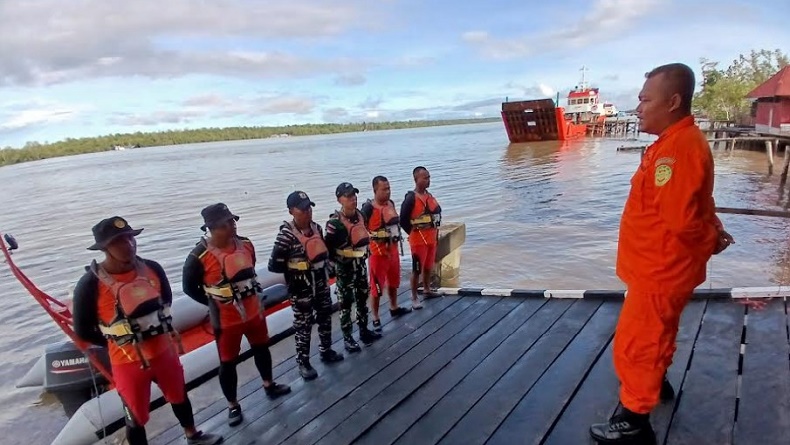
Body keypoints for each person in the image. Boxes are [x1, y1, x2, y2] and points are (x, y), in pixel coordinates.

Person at [589, 63, 735, 444]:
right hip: (659, 267)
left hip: (660, 269)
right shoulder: (676, 144)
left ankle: (634, 420)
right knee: (658, 333)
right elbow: (696, 201)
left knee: (638, 343)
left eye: (644, 100)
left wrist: (709, 239)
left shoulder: (677, 150)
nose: (637, 108)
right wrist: (714, 230)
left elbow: (682, 219)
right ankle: (656, 383)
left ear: (673, 101)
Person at [72, 217, 222, 445]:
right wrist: (119, 341)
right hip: (128, 363)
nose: (129, 245)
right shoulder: (89, 284)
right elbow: (83, 331)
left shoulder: (152, 269)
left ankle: (193, 435)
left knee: (179, 396)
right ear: (104, 248)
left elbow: (166, 301)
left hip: (164, 353)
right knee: (135, 416)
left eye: (130, 238)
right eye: (119, 241)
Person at [182, 203, 291, 428]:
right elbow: (189, 287)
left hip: (253, 312)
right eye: (226, 223)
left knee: (262, 348)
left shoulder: (246, 244)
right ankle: (233, 405)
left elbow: (249, 270)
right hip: (226, 319)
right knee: (228, 362)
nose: (232, 226)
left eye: (233, 221)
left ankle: (269, 384)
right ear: (211, 228)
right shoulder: (199, 256)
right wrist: (213, 302)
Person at [268, 191, 344, 380]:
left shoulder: (317, 229)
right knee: (303, 325)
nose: (307, 212)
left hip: (320, 282)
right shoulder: (285, 236)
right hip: (300, 288)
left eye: (309, 207)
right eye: (303, 209)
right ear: (291, 211)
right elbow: (274, 265)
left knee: (325, 316)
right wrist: (295, 271)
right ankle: (303, 362)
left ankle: (326, 350)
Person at [325, 182, 383, 352]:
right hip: (345, 268)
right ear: (339, 200)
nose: (353, 199)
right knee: (345, 303)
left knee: (362, 298)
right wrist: (334, 266)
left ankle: (364, 331)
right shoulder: (334, 224)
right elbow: (327, 248)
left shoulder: (360, 215)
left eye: (354, 195)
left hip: (360, 266)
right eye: (349, 196)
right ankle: (348, 337)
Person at [361, 176, 412, 331]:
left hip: (393, 251)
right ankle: (375, 316)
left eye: (389, 188)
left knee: (393, 282)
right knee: (376, 288)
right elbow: (360, 229)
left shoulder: (390, 204)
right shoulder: (368, 209)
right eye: (384, 189)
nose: (388, 192)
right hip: (378, 254)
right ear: (375, 190)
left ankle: (394, 307)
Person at [399, 166, 443, 308]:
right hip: (418, 239)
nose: (428, 180)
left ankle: (427, 289)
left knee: (429, 265)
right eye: (425, 178)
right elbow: (403, 220)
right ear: (416, 179)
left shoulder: (429, 196)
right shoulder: (411, 198)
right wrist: (412, 233)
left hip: (431, 237)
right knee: (416, 268)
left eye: (429, 177)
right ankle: (414, 296)